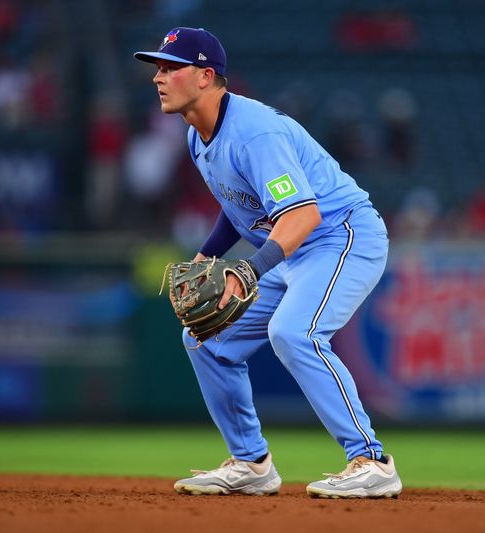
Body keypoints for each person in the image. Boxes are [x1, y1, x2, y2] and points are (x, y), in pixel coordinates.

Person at [134, 27, 402, 498]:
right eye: (157, 67)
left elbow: (304, 213)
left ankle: (371, 461)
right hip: (293, 247)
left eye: (170, 67)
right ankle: (251, 463)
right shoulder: (199, 134)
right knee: (205, 338)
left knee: (293, 332)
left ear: (204, 76)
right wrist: (205, 257)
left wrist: (250, 270)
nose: (158, 77)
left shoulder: (254, 132)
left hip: (340, 236)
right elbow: (241, 206)